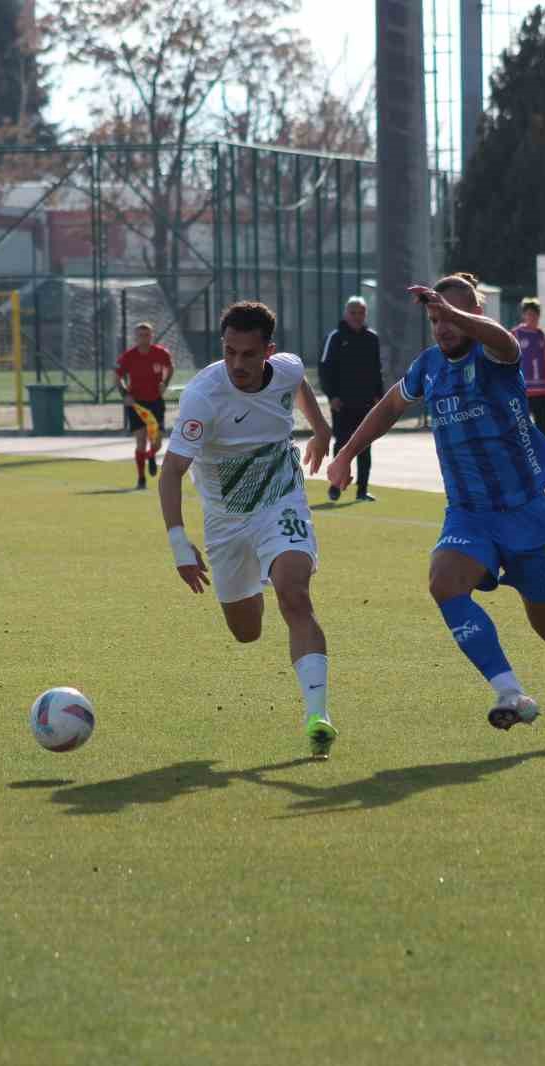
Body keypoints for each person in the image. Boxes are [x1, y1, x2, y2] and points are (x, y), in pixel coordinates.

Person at [326, 274, 545, 732]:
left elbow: (505, 340)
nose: (443, 327)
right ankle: (510, 691)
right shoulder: (428, 366)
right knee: (444, 582)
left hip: (525, 512)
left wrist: (457, 315)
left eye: (451, 317)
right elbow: (391, 406)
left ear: (474, 316)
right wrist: (346, 452)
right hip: (468, 514)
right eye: (435, 319)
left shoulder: (496, 355)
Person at [158, 301, 338, 758]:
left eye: (248, 354)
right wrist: (180, 543)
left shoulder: (287, 369)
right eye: (229, 352)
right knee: (246, 632)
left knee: (295, 594)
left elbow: (299, 387)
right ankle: (257, 576)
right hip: (226, 522)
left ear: (268, 352)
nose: (237, 364)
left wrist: (320, 430)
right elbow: (172, 470)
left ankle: (318, 716)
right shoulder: (204, 395)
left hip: (281, 501)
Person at [318, 296, 384, 502]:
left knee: (365, 445)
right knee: (342, 443)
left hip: (366, 404)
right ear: (345, 314)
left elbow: (377, 370)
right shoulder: (335, 337)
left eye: (361, 312)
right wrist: (332, 396)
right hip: (342, 404)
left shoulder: (372, 338)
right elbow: (324, 368)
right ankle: (335, 485)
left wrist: (378, 397)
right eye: (353, 312)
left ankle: (362, 491)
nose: (357, 316)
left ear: (365, 314)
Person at [115, 321, 175, 489]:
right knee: (140, 441)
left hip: (155, 402)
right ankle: (141, 479)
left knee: (157, 443)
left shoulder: (161, 353)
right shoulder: (128, 356)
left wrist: (165, 382)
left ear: (152, 336)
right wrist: (125, 394)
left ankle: (150, 456)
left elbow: (170, 368)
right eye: (141, 335)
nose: (144, 338)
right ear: (135, 337)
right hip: (137, 404)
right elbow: (117, 376)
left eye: (147, 335)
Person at [513, 297, 545, 439]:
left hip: (541, 389)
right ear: (524, 315)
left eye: (535, 314)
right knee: (522, 426)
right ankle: (524, 459)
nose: (532, 318)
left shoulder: (541, 335)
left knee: (543, 425)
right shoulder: (516, 334)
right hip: (523, 389)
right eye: (529, 314)